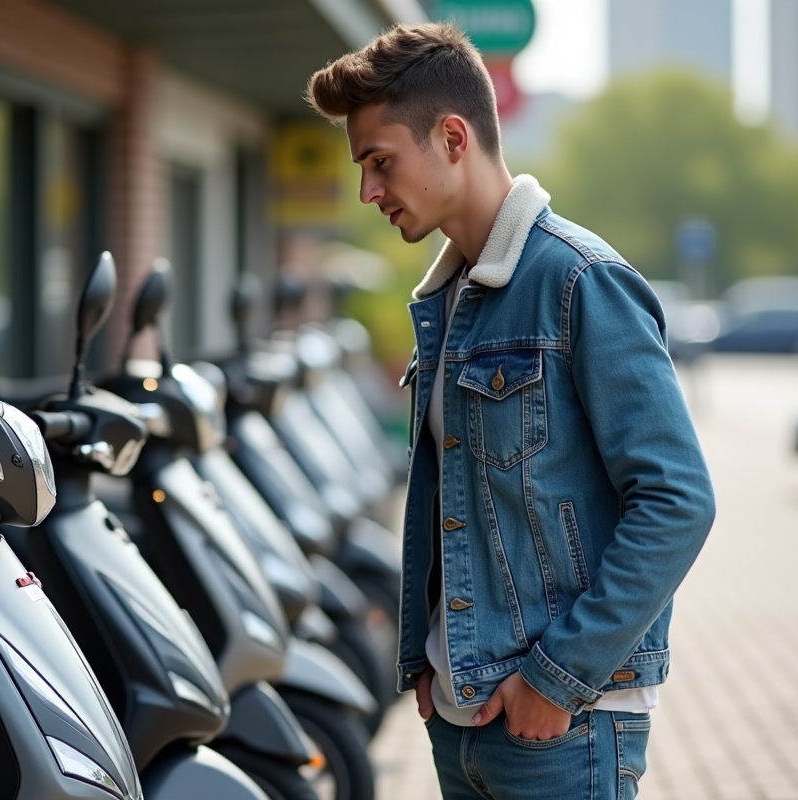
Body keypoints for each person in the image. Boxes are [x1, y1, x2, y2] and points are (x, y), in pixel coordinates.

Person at [306, 22, 716, 800]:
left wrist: (557, 679)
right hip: (462, 723)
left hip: (561, 727)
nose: (369, 192)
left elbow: (678, 502)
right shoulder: (448, 300)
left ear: (453, 137)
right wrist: (425, 664)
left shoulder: (579, 281)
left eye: (380, 163)